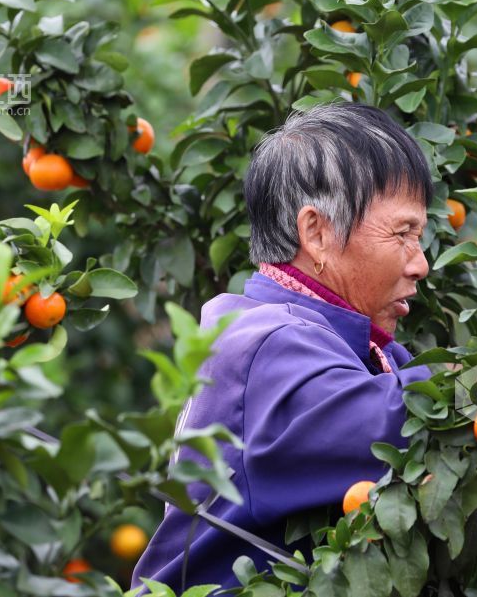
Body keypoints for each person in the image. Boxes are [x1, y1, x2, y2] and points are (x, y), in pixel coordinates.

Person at [131, 102, 433, 592]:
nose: (419, 264)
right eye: (402, 234)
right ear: (316, 232)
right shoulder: (265, 345)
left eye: (419, 236)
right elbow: (408, 424)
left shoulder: (370, 353)